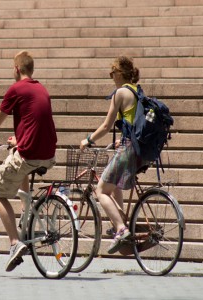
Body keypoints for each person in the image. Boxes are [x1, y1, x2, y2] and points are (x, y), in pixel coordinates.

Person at [0, 50, 57, 271]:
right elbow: (35, 121)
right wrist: (18, 139)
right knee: (18, 164)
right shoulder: (41, 89)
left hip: (29, 153)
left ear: (17, 69)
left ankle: (14, 243)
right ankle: (25, 214)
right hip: (48, 154)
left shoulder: (16, 89)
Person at [80, 56, 141, 254]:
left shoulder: (120, 92)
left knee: (101, 191)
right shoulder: (136, 91)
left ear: (121, 73)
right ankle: (120, 223)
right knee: (115, 187)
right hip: (138, 148)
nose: (111, 77)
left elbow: (106, 125)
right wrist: (121, 139)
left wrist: (88, 139)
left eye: (112, 73)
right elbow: (134, 122)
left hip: (129, 149)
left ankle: (122, 229)